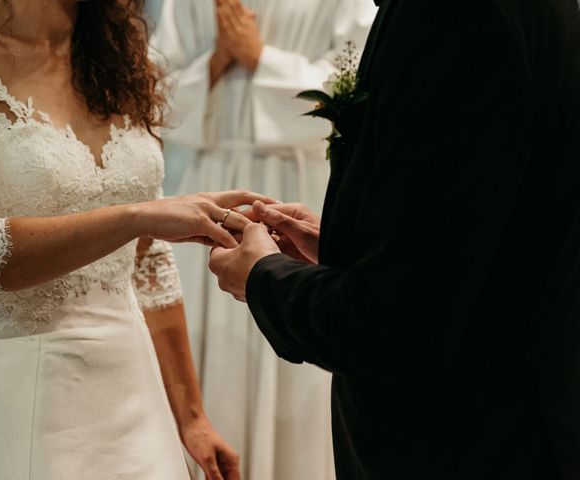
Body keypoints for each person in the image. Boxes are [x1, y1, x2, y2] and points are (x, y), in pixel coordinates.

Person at [209, 0, 580, 478]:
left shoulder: (453, 17)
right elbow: (476, 229)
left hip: (466, 441)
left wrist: (262, 277)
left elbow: (396, 323)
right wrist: (353, 243)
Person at [0, 1, 275, 478]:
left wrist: (193, 417)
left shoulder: (118, 52)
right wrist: (134, 217)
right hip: (9, 387)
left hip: (131, 394)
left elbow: (149, 264)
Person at [153, 1, 375, 477]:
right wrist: (214, 62)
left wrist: (261, 59)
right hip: (209, 182)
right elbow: (155, 96)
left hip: (296, 181)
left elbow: (357, 92)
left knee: (295, 355)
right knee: (207, 344)